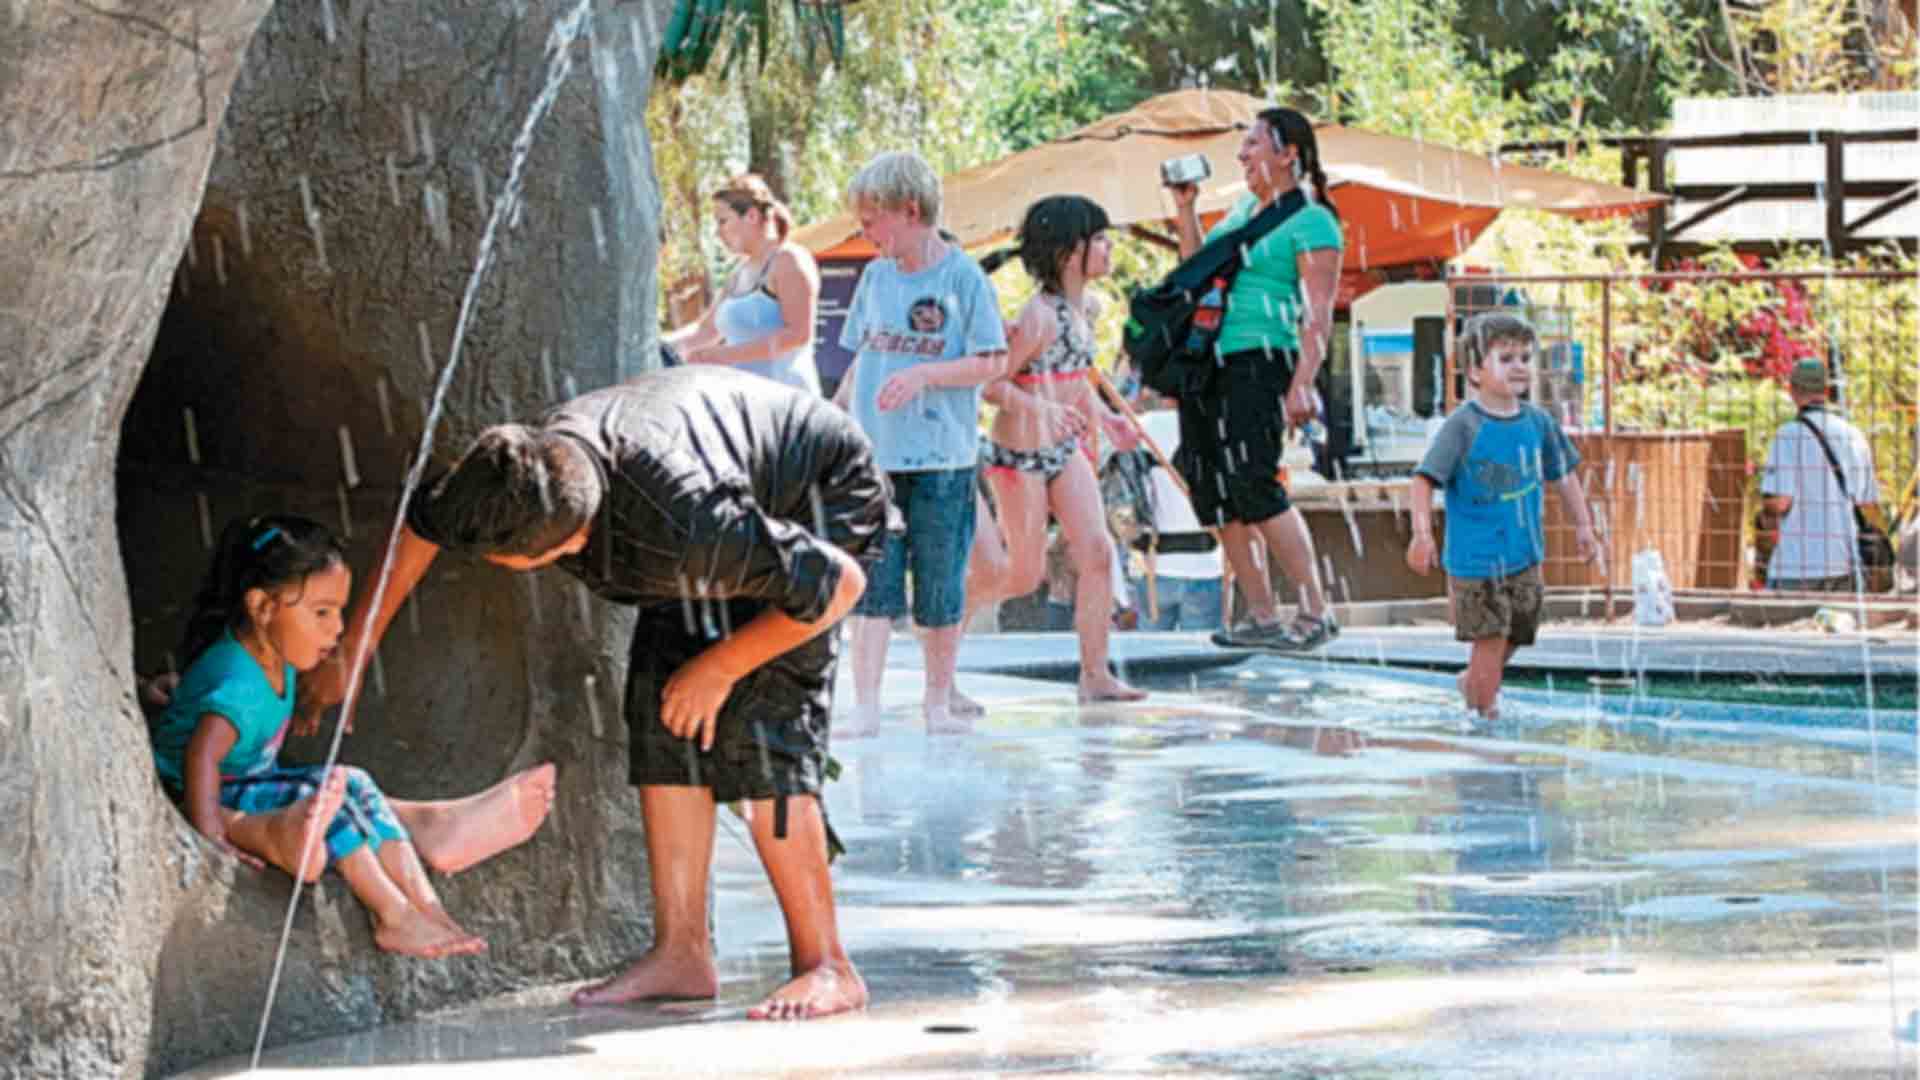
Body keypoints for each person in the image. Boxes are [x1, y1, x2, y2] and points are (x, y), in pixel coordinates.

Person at [301, 367, 890, 1020]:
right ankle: (682, 953)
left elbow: (840, 587)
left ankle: (828, 964)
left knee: (761, 732)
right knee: (664, 713)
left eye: (502, 561)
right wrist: (353, 654)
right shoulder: (511, 472)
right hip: (715, 482)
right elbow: (424, 526)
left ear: (570, 545)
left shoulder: (687, 531)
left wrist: (723, 665)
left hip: (816, 496)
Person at [150, 514, 557, 959]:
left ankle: (427, 906)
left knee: (354, 780)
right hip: (212, 790)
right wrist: (210, 832)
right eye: (322, 612)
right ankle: (393, 915)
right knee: (326, 799)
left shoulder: (274, 653)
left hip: (248, 776)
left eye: (339, 611)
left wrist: (300, 706)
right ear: (263, 608)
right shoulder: (237, 684)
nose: (338, 628)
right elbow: (201, 757)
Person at [830, 151, 1009, 731]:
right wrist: (835, 413)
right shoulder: (876, 276)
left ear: (911, 211)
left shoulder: (962, 278)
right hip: (875, 457)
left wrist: (926, 375)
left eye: (872, 219)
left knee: (939, 580)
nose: (865, 233)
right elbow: (864, 353)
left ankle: (937, 703)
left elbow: (992, 360)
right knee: (872, 584)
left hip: (941, 457)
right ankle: (867, 706)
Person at [1165, 106, 1342, 651]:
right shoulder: (1243, 209)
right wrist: (1188, 211)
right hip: (1211, 362)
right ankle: (1261, 613)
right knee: (1211, 485)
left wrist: (1303, 383)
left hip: (1262, 357)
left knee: (1255, 481)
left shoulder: (1312, 220)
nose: (1241, 155)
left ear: (1289, 154)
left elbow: (1320, 310)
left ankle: (1315, 608)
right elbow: (1195, 270)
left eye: (1253, 144)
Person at [964, 195, 1144, 702]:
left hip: (1062, 453)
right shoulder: (1038, 317)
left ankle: (1095, 675)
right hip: (1019, 457)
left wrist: (1105, 419)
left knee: (1098, 554)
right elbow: (990, 383)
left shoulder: (1084, 308)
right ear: (1070, 253)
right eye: (1101, 240)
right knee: (1022, 574)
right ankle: (947, 619)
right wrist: (1038, 409)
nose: (1110, 249)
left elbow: (1072, 379)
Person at [1405, 313, 1602, 719]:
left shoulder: (1538, 422)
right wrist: (1422, 534)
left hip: (1524, 555)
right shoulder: (1464, 425)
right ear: (1476, 371)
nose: (1519, 366)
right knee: (1489, 640)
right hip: (1476, 560)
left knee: (1517, 632)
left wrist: (1584, 526)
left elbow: (1564, 475)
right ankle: (1484, 716)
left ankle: (1475, 682)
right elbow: (1423, 481)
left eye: (1525, 358)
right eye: (1506, 357)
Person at [664, 173, 821, 394]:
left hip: (788, 404)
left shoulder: (789, 260)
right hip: (746, 404)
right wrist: (659, 345)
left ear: (752, 216)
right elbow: (706, 330)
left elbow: (798, 334)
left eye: (723, 221)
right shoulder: (737, 273)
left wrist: (727, 355)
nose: (718, 233)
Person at [1756, 357, 1882, 592]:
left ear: (1792, 391)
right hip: (1845, 564)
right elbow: (1868, 505)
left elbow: (1779, 502)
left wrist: (1763, 513)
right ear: (1825, 390)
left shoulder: (1788, 436)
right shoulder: (1853, 435)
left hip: (1797, 566)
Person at [1128, 396, 1227, 631]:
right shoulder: (1217, 425)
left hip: (1153, 565)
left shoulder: (1140, 426)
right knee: (1201, 658)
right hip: (1206, 563)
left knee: (1149, 661)